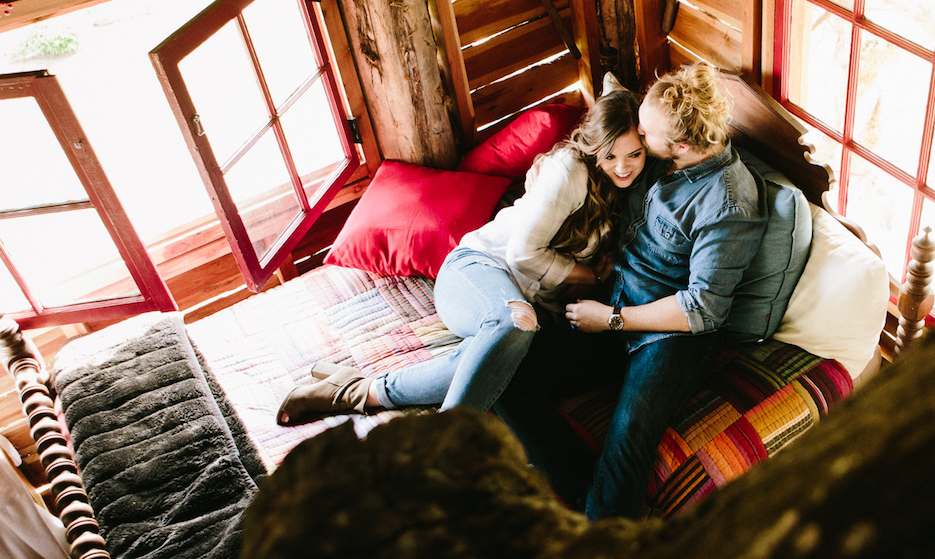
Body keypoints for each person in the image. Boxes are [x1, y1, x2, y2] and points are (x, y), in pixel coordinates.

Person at [493, 61, 767, 520]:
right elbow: (611, 121)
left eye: (644, 131)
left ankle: (609, 546)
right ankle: (591, 504)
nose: (637, 134)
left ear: (679, 144)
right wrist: (549, 167)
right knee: (507, 378)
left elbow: (701, 309)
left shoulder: (730, 203)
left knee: (628, 442)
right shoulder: (664, 154)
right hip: (613, 301)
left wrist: (611, 319)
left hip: (669, 335)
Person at [276, 86, 645, 426]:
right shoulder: (571, 170)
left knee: (502, 356)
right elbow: (520, 254)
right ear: (594, 146)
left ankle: (360, 390)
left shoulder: (626, 188)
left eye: (634, 154)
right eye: (610, 155)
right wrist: (588, 275)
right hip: (475, 270)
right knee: (516, 322)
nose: (623, 166)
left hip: (525, 308)